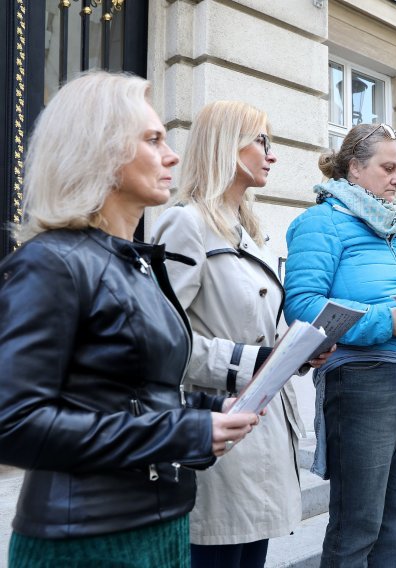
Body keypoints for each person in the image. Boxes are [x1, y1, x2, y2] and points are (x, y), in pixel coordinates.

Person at [0, 71, 259, 568]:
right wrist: (185, 432)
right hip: (87, 542)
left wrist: (212, 409)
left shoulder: (133, 261)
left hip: (162, 524)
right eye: (153, 139)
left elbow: (134, 390)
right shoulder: (50, 262)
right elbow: (15, 423)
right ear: (100, 151)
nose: (173, 155)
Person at [152, 101, 330, 568]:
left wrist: (298, 353)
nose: (272, 154)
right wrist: (256, 361)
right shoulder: (185, 224)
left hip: (264, 430)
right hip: (218, 433)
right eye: (261, 141)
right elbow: (163, 342)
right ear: (226, 147)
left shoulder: (248, 233)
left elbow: (262, 328)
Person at [283, 122, 396, 567]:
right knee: (357, 523)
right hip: (360, 382)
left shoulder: (395, 229)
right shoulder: (320, 222)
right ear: (355, 169)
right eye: (389, 167)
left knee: (395, 518)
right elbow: (303, 307)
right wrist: (385, 321)